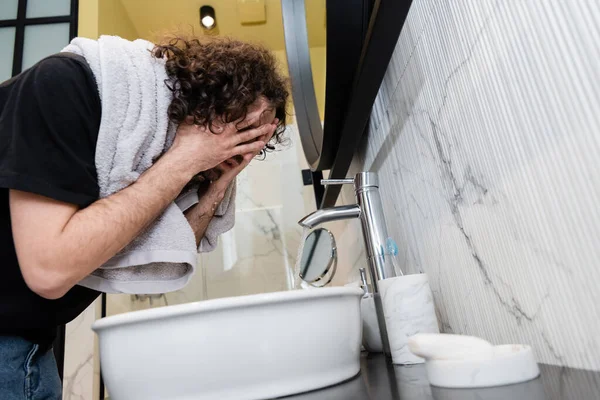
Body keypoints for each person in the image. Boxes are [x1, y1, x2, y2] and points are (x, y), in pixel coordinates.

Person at [0, 36, 288, 399]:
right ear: (206, 102)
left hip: (28, 342)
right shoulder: (64, 85)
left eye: (251, 143)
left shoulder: (165, 159)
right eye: (241, 132)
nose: (238, 146)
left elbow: (176, 244)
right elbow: (48, 269)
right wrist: (185, 159)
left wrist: (217, 184)